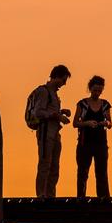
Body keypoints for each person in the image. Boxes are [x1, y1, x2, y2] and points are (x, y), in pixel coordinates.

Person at [29, 65, 71, 198]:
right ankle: (41, 195)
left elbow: (48, 111)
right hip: (45, 132)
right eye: (63, 80)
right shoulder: (43, 91)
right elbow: (38, 112)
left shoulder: (54, 94)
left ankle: (50, 195)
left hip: (54, 133)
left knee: (54, 167)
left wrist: (61, 112)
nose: (64, 84)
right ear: (56, 77)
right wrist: (58, 116)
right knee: (45, 164)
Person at [73, 75, 112, 198]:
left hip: (101, 143)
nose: (97, 93)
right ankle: (81, 198)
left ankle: (104, 198)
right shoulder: (82, 104)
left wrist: (105, 123)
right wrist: (87, 123)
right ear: (90, 88)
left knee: (101, 172)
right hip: (85, 143)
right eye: (95, 90)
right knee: (83, 172)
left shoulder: (105, 105)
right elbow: (75, 123)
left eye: (99, 90)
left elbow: (110, 123)